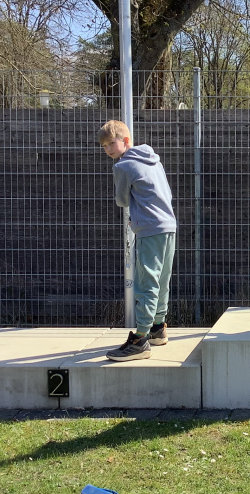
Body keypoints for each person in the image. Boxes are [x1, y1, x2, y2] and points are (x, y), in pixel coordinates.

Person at [98, 120, 178, 361]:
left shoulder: (123, 166)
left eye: (111, 143)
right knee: (162, 279)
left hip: (149, 229)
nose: (109, 149)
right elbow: (167, 193)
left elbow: (122, 200)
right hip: (169, 225)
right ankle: (158, 328)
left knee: (146, 283)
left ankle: (140, 338)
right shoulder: (154, 159)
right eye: (104, 146)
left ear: (126, 141)